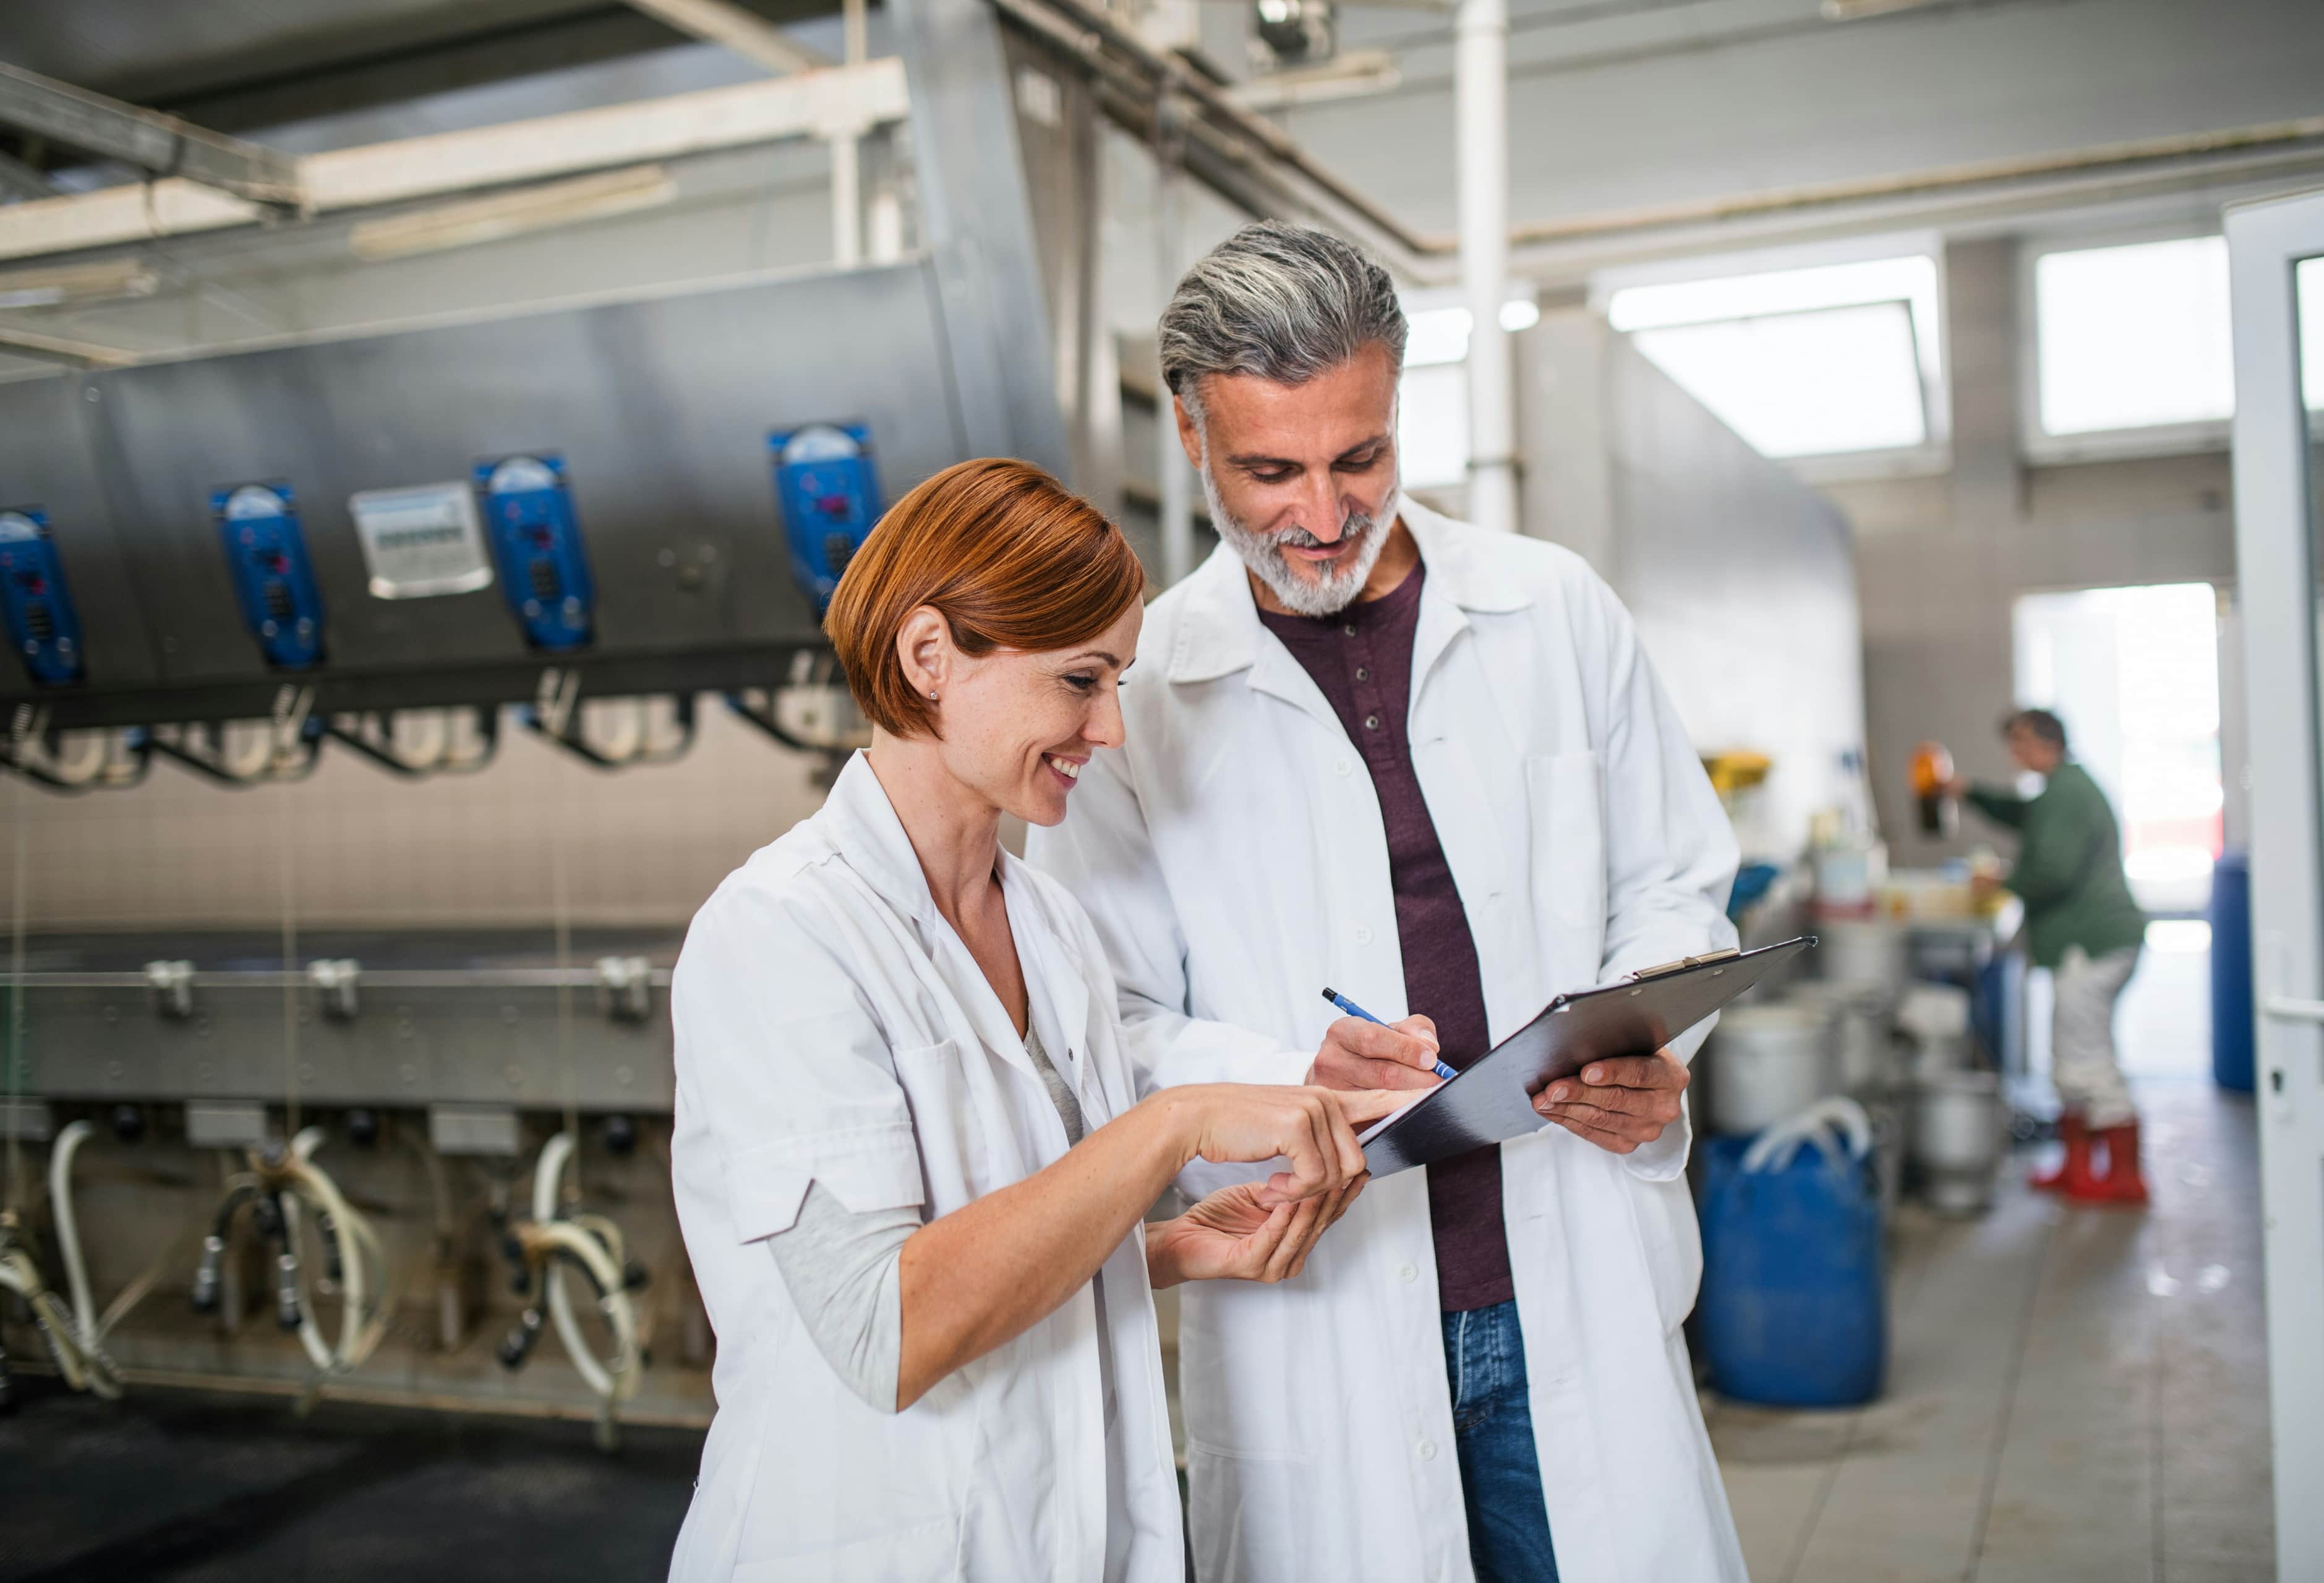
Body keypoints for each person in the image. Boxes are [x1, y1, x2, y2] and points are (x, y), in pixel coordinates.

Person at [1030, 222, 1748, 1582]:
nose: (1321, 512)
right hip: (1327, 1301)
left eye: (1358, 457)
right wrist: (1273, 1073)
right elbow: (1104, 1017)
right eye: (1270, 469)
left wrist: (1651, 1043)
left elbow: (1673, 880)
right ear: (1191, 442)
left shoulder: (1553, 609)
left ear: (1401, 411)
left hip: (1569, 1276)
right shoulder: (1141, 689)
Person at [667, 456, 1398, 1582]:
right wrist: (1173, 1125)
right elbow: (887, 1331)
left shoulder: (1050, 925)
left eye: (1118, 683)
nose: (1109, 730)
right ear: (929, 657)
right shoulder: (779, 932)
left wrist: (1155, 1252)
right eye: (1080, 681)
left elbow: (1010, 1234)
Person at [1952, 706, 2150, 1205]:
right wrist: (1969, 792)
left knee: (2086, 1058)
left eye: (2021, 743)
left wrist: (2000, 878)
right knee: (2071, 1055)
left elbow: (2053, 873)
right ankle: (2078, 1164)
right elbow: (2022, 814)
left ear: (2048, 742)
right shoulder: (2060, 789)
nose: (2015, 754)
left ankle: (2125, 1176)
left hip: (2092, 945)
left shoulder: (2065, 793)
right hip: (2095, 943)